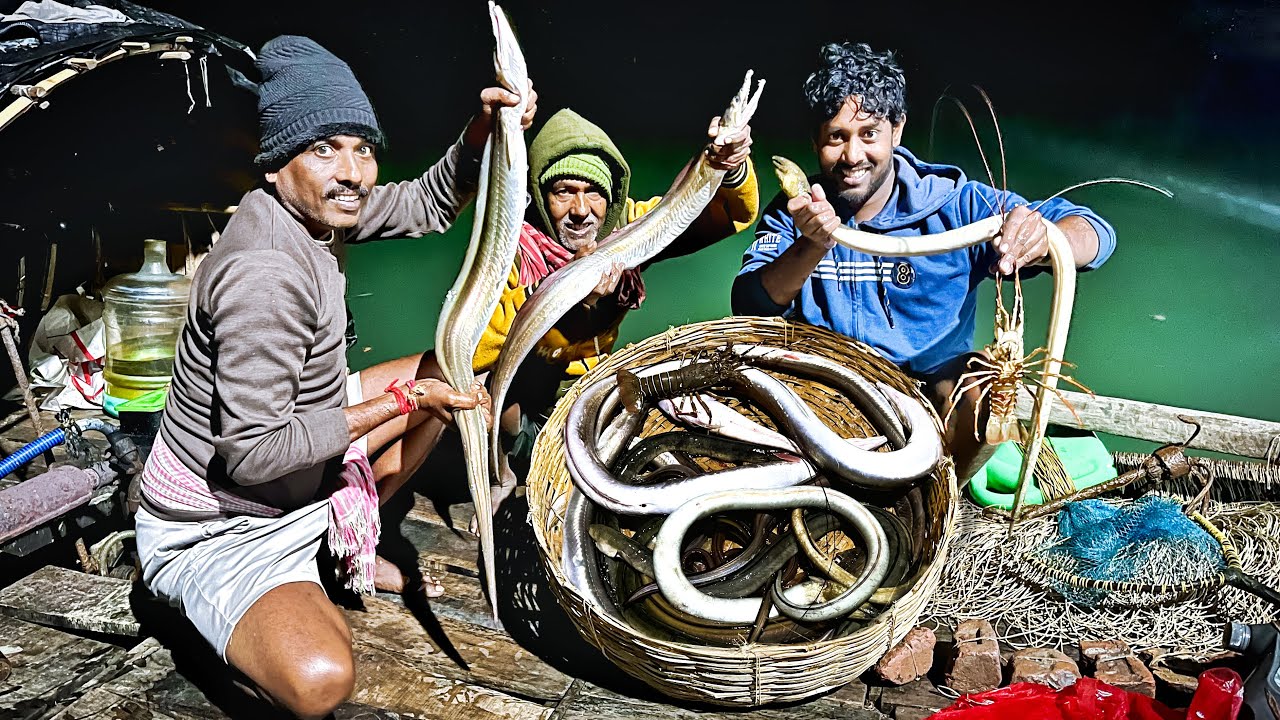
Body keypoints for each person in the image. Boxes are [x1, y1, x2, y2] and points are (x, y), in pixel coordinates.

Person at [132, 36, 536, 719]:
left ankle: (337, 536)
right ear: (274, 165)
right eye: (324, 148)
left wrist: (480, 136)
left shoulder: (318, 210)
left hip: (296, 469)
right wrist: (404, 400)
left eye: (362, 147)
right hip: (227, 522)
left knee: (451, 369)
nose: (353, 171)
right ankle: (203, 605)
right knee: (321, 681)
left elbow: (426, 205)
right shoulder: (263, 273)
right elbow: (255, 454)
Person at [731, 42, 1116, 479]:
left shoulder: (959, 205)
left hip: (929, 390)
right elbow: (749, 307)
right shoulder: (796, 209)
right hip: (824, 385)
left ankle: (942, 491)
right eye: (836, 137)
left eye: (869, 134)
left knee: (985, 388)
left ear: (898, 129)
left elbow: (1096, 235)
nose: (853, 156)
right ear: (815, 140)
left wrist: (1043, 238)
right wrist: (813, 244)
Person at [472, 107, 758, 499]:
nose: (581, 211)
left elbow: (729, 214)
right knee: (478, 395)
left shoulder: (629, 231)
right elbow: (484, 360)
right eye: (563, 193)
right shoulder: (512, 254)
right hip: (520, 410)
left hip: (588, 393)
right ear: (540, 195)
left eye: (594, 193)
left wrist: (731, 166)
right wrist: (573, 308)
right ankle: (500, 474)